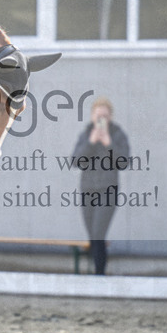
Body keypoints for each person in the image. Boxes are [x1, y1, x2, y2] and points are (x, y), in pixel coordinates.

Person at [71, 97, 130, 275]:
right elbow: (75, 161)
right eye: (98, 116)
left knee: (98, 233)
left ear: (110, 117)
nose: (101, 119)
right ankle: (97, 274)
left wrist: (108, 143)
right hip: (87, 190)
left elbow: (123, 162)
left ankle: (99, 275)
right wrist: (91, 142)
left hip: (108, 190)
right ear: (92, 116)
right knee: (93, 235)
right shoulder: (87, 133)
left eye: (104, 116)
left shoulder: (118, 134)